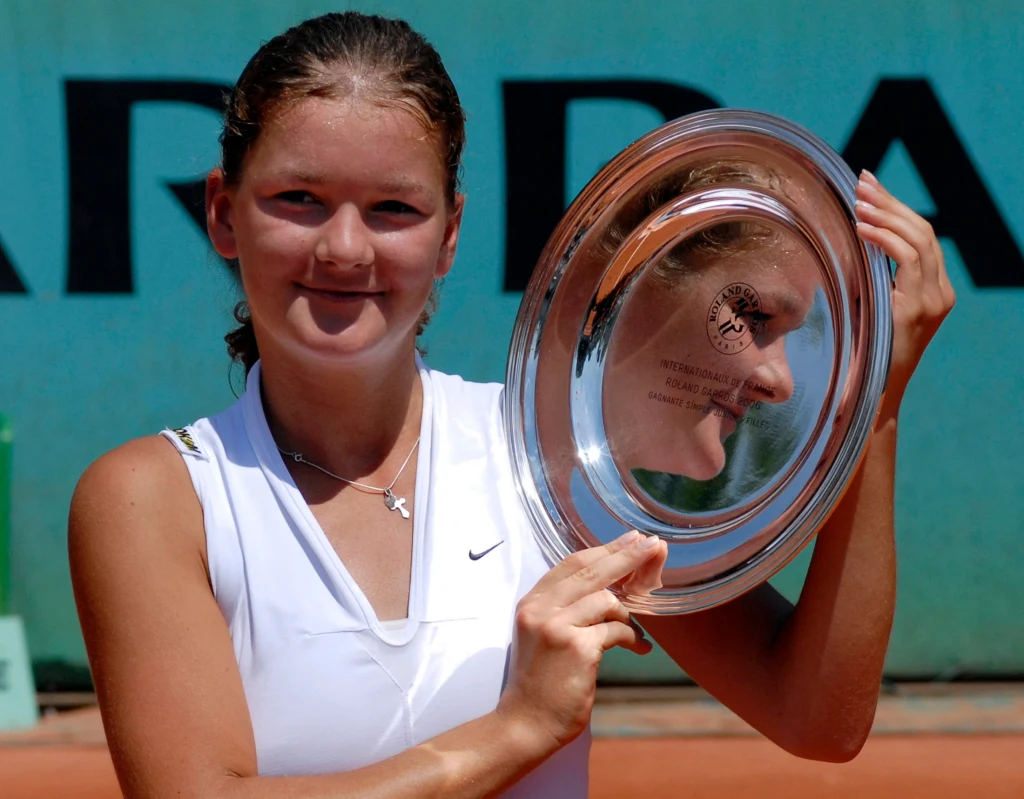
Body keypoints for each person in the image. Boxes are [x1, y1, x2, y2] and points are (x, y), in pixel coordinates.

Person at [68, 11, 956, 799]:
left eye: (392, 210)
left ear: (450, 233)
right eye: (298, 200)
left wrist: (871, 409)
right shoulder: (151, 500)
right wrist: (517, 727)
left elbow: (819, 719)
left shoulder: (556, 461)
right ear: (224, 214)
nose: (344, 248)